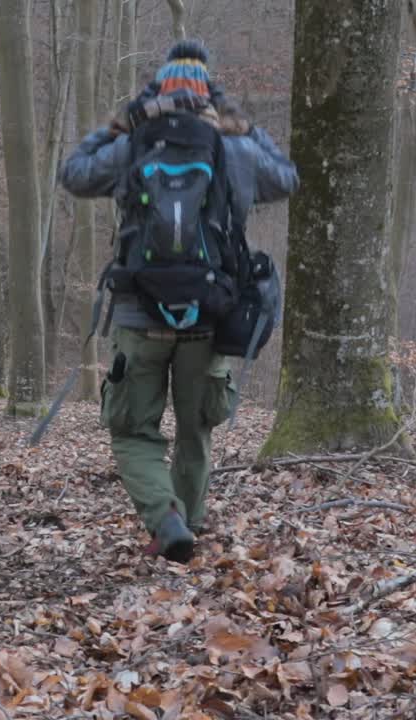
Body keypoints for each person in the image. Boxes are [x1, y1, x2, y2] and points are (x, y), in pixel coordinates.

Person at [60, 40, 298, 564]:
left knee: (131, 430)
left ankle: (164, 520)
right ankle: (184, 526)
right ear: (207, 93)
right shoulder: (233, 149)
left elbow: (74, 174)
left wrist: (120, 124)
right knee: (196, 430)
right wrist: (241, 124)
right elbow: (286, 179)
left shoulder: (135, 144)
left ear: (159, 92)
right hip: (209, 316)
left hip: (137, 313)